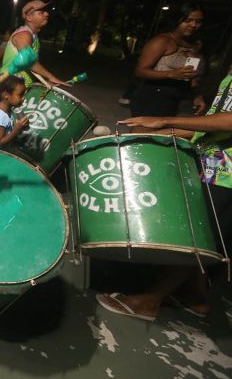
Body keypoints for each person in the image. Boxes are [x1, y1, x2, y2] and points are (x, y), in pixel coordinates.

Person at [97, 67, 231, 321]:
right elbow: (214, 123)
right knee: (202, 233)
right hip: (212, 163)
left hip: (227, 175)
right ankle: (197, 297)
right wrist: (157, 133)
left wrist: (166, 121)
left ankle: (149, 302)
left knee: (196, 240)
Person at [128, 2, 206, 127]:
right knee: (143, 138)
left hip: (178, 99)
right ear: (177, 19)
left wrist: (197, 96)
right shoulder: (162, 41)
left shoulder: (196, 45)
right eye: (188, 20)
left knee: (167, 141)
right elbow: (140, 71)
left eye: (198, 22)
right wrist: (171, 74)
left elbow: (192, 77)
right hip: (152, 96)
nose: (193, 25)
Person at [1, 0, 69, 87]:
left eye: (46, 11)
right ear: (29, 17)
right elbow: (28, 62)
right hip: (9, 87)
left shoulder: (33, 36)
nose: (47, 14)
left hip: (18, 87)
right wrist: (51, 77)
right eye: (41, 12)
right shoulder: (24, 34)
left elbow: (29, 67)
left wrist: (44, 81)